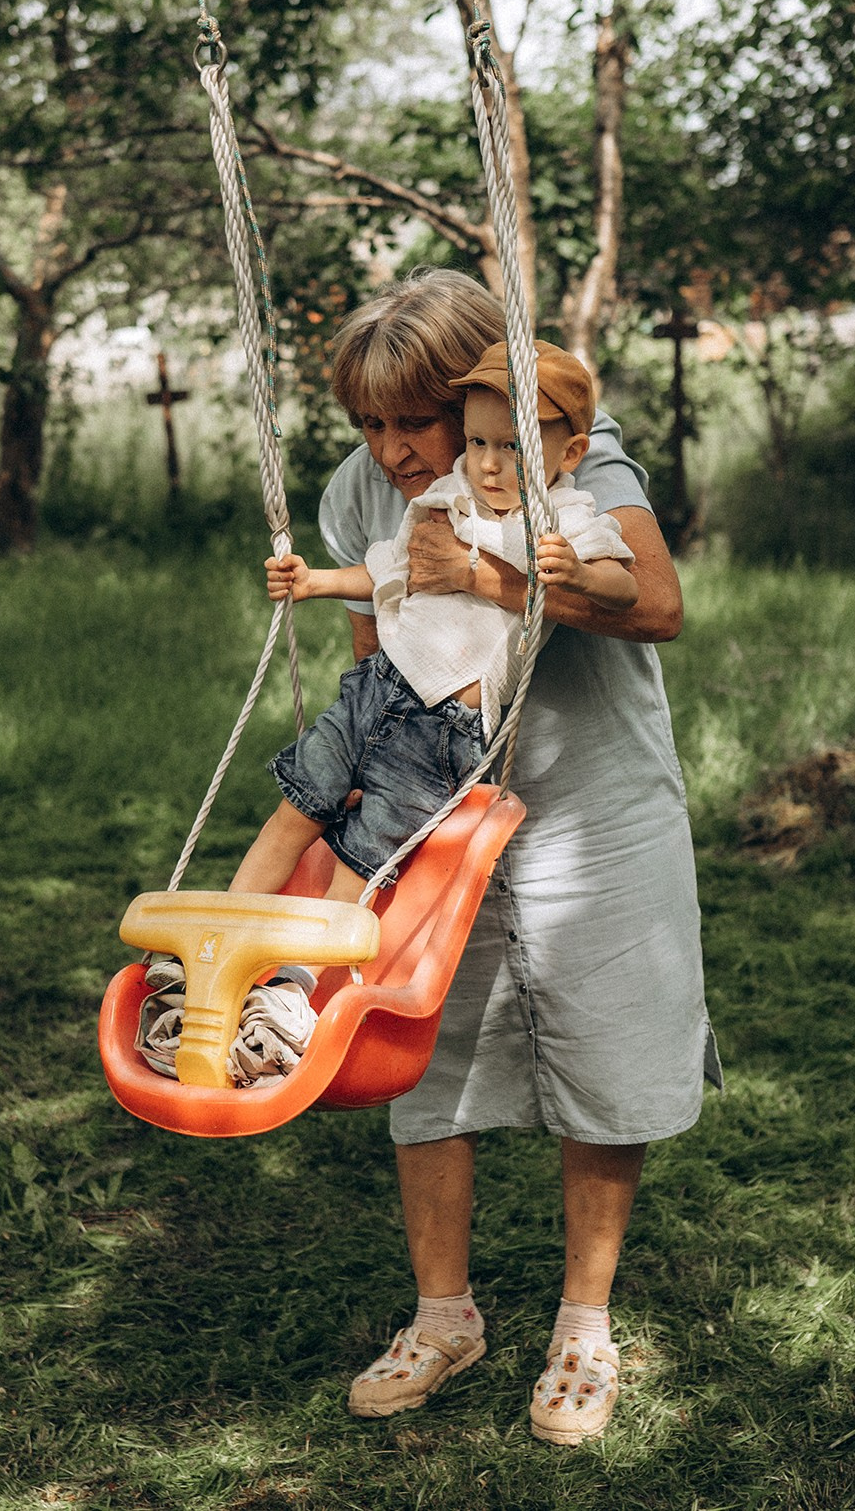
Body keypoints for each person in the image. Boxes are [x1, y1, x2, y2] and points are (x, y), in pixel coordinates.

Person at [305, 270, 720, 1447]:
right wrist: (361, 809)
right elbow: (376, 657)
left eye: (412, 421)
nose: (388, 450)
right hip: (449, 806)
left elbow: (656, 606)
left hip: (597, 791)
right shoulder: (361, 491)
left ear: (492, 410)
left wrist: (484, 574)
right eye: (366, 423)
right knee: (420, 1048)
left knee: (608, 1040)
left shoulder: (574, 460)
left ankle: (582, 1324)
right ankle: (445, 1315)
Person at [227, 340, 637, 903]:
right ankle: (228, 926)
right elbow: (394, 567)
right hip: (378, 687)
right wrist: (316, 582)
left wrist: (582, 575)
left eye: (512, 447)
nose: (489, 463)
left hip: (446, 725)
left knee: (363, 858)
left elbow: (625, 588)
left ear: (570, 455)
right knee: (296, 809)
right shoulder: (450, 494)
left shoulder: (566, 520)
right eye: (476, 442)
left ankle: (299, 980)